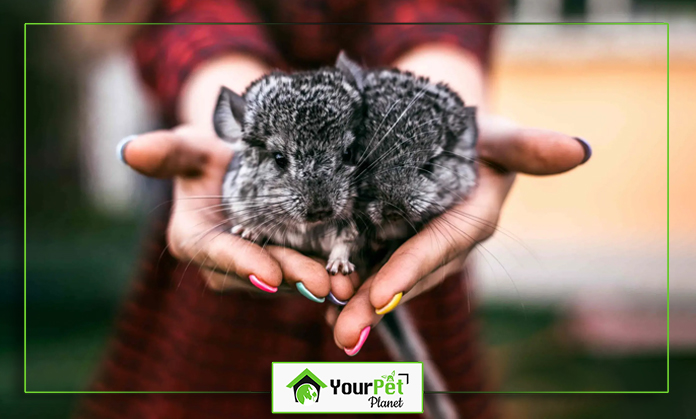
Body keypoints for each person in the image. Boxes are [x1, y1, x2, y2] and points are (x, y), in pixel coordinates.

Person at [76, 1, 591, 418]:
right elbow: (180, 11)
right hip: (216, 319)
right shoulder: (243, 171)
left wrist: (424, 123)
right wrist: (229, 91)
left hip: (398, 270)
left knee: (393, 392)